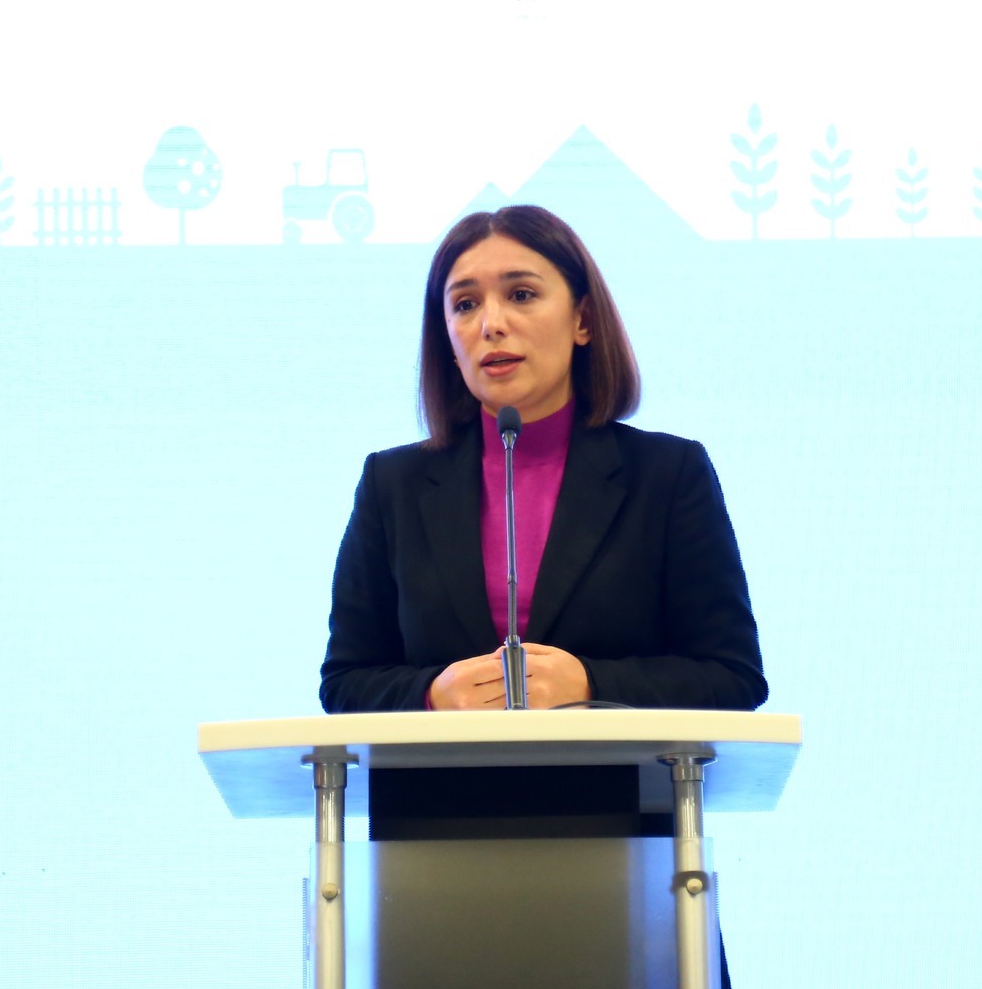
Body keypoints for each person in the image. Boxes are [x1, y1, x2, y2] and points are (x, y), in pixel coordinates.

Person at [319, 204, 767, 715]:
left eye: (521, 295)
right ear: (447, 341)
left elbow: (733, 677)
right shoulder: (391, 484)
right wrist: (430, 694)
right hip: (445, 771)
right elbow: (345, 683)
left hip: (613, 770)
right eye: (465, 304)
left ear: (583, 320)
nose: (491, 324)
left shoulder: (668, 474)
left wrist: (592, 684)